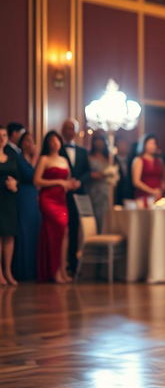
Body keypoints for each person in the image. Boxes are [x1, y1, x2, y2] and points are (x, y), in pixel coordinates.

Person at [35, 131, 79, 283]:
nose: (55, 143)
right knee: (56, 231)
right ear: (47, 143)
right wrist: (58, 182)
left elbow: (66, 182)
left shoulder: (64, 160)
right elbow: (37, 181)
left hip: (61, 200)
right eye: (51, 141)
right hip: (48, 199)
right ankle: (54, 272)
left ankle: (62, 270)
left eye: (57, 140)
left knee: (64, 233)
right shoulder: (44, 159)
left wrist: (71, 184)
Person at [61, 118, 90, 275]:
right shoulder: (58, 150)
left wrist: (79, 181)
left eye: (72, 128)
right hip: (61, 195)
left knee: (74, 230)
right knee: (62, 230)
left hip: (78, 195)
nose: (69, 131)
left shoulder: (82, 151)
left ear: (76, 132)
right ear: (62, 131)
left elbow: (87, 172)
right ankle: (60, 264)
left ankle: (73, 264)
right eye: (66, 128)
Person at [13, 131, 41, 281]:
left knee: (34, 230)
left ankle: (33, 270)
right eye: (26, 141)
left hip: (34, 197)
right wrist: (35, 158)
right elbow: (31, 176)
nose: (29, 144)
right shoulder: (19, 158)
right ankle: (23, 271)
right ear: (22, 143)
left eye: (31, 141)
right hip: (24, 196)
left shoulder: (33, 159)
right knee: (24, 232)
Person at [0, 126, 20, 286]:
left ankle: (8, 271)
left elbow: (18, 176)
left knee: (9, 235)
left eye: (4, 135)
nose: (2, 138)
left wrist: (15, 184)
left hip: (9, 199)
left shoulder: (11, 155)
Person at [86, 133, 111, 233]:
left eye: (101, 140)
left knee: (104, 217)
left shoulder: (107, 157)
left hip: (105, 191)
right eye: (97, 140)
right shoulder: (89, 157)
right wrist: (95, 175)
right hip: (93, 190)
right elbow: (86, 173)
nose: (99, 143)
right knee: (93, 217)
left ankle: (103, 240)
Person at [131, 134, 164, 203]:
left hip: (158, 195)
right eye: (150, 143)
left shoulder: (159, 160)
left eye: (154, 143)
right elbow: (136, 182)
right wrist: (152, 191)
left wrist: (160, 190)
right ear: (144, 144)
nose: (152, 146)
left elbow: (162, 178)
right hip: (143, 196)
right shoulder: (139, 160)